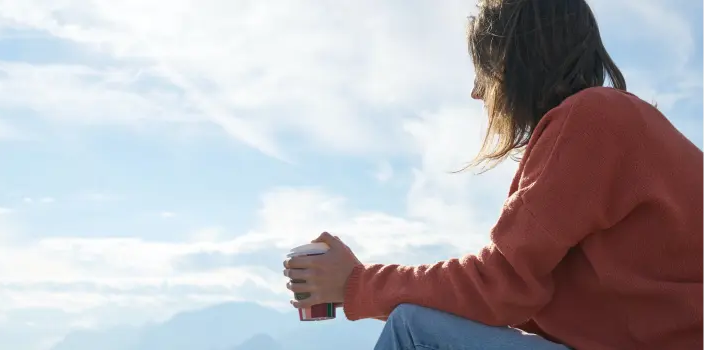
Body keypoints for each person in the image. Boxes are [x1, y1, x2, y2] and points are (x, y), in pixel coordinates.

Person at [282, 0, 703, 349]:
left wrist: (356, 284)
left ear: (513, 60)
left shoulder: (593, 120)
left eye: (484, 67)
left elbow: (501, 285)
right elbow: (517, 296)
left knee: (413, 330)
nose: (477, 91)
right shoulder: (626, 128)